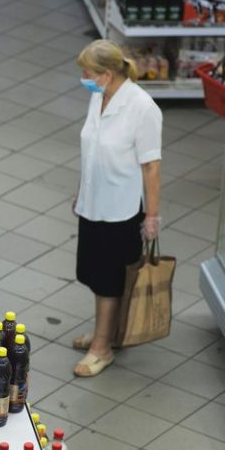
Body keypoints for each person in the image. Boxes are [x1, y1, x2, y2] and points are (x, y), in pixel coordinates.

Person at [71, 39, 162, 377]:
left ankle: (102, 348)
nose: (84, 78)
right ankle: (106, 334)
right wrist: (81, 191)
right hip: (93, 203)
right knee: (95, 273)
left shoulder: (143, 108)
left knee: (110, 279)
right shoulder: (99, 97)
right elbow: (92, 149)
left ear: (106, 74)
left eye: (88, 72)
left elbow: (151, 166)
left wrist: (152, 216)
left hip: (121, 210)